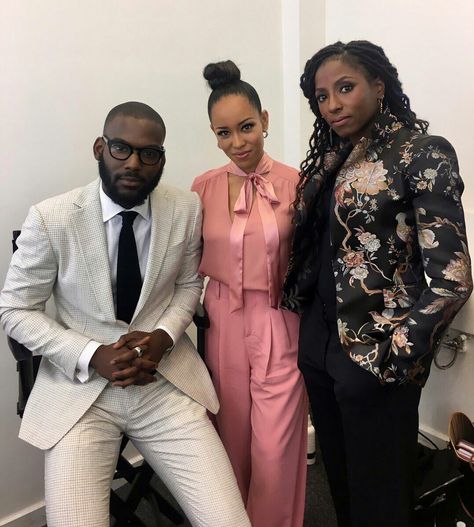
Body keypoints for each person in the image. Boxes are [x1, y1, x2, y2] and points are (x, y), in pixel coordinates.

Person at [0, 101, 251, 527]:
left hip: (162, 384)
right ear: (100, 148)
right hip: (80, 395)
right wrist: (89, 354)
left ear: (161, 159)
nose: (134, 163)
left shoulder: (185, 209)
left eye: (148, 153)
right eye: (121, 149)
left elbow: (190, 285)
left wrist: (164, 336)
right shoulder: (52, 217)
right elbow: (15, 309)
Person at [282, 40, 473, 527]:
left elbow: (451, 278)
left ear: (379, 86)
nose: (333, 105)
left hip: (378, 352)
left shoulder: (421, 153)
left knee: (381, 492)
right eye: (322, 97)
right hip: (321, 341)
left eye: (345, 88)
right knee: (341, 480)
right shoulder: (333, 158)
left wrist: (395, 358)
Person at [191, 60, 308, 527]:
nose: (237, 143)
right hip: (220, 316)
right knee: (231, 435)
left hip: (280, 316)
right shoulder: (202, 187)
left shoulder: (297, 183)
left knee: (275, 442)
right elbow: (183, 262)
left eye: (245, 127)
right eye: (223, 133)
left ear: (265, 120)